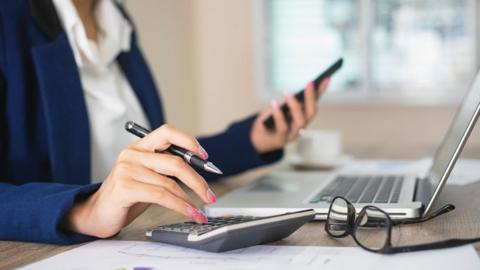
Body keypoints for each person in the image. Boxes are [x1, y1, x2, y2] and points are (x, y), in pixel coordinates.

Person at [0, 0, 330, 244]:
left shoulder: (116, 20)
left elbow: (162, 160)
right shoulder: (8, 20)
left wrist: (254, 140)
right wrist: (83, 210)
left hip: (137, 239)